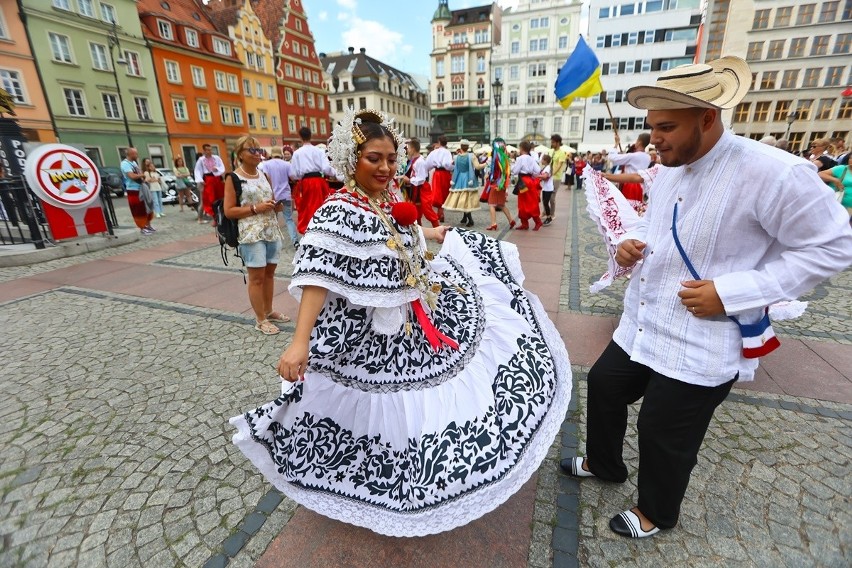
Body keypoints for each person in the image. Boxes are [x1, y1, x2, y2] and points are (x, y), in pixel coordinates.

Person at [229, 108, 571, 537]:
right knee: (378, 406)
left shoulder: (385, 199)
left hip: (412, 315)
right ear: (352, 160)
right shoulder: (338, 210)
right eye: (375, 158)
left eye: (391, 158)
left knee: (425, 398)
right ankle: (380, 475)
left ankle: (422, 470)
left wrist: (430, 235)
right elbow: (318, 277)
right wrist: (300, 341)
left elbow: (395, 234)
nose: (386, 167)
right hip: (368, 331)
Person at [561, 56, 852, 539]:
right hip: (645, 324)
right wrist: (631, 240)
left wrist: (735, 291)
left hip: (703, 338)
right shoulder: (670, 169)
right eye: (652, 127)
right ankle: (605, 463)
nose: (655, 138)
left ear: (709, 117)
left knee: (661, 428)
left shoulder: (775, 172)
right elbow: (656, 226)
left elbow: (834, 245)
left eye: (667, 126)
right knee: (606, 384)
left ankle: (656, 513)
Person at [223, 136, 289, 335]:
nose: (257, 154)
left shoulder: (264, 174)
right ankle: (260, 319)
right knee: (257, 277)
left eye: (259, 150)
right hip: (250, 233)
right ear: (240, 154)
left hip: (270, 229)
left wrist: (274, 206)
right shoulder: (233, 178)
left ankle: (268, 310)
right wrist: (255, 208)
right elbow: (229, 211)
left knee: (269, 274)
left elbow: (269, 199)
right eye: (252, 150)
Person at [289, 126, 336, 236]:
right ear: (311, 136)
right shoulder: (319, 151)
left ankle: (309, 230)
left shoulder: (297, 153)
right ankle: (323, 228)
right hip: (319, 181)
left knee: (306, 208)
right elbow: (326, 168)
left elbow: (293, 174)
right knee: (321, 205)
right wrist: (338, 175)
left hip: (305, 182)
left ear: (300, 137)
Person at [259, 146, 298, 249]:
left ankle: (273, 242)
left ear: (271, 154)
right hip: (285, 194)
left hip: (273, 195)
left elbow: (264, 177)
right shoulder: (286, 164)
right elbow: (293, 177)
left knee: (273, 218)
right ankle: (295, 242)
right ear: (280, 154)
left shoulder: (266, 164)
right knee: (289, 219)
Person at [398, 137, 440, 228]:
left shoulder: (420, 161)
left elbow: (421, 178)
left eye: (408, 148)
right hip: (416, 187)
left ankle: (437, 228)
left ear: (413, 149)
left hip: (422, 188)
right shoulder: (415, 160)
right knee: (416, 209)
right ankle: (418, 228)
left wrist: (409, 180)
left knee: (427, 210)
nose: (407, 150)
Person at [608, 132, 651, 211]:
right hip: (640, 186)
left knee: (627, 209)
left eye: (637, 141)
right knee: (636, 209)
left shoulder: (633, 156)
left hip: (630, 185)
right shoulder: (648, 157)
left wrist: (616, 144)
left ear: (639, 142)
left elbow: (612, 158)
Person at [444, 140, 482, 227]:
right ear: (468, 147)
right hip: (469, 178)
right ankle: (470, 219)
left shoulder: (456, 157)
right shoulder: (471, 156)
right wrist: (485, 164)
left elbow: (452, 166)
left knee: (462, 198)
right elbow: (477, 166)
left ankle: (465, 217)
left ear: (461, 147)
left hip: (459, 179)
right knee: (467, 199)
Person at [120, 147, 155, 235]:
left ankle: (148, 225)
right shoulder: (125, 164)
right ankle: (142, 228)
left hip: (141, 187)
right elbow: (132, 176)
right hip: (133, 189)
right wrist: (142, 174)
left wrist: (141, 175)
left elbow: (138, 173)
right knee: (138, 209)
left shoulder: (134, 163)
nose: (137, 155)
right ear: (130, 154)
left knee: (147, 206)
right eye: (135, 153)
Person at [484, 138, 516, 231]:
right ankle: (511, 220)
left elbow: (489, 169)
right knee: (501, 204)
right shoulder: (505, 158)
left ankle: (493, 223)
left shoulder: (494, 158)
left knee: (491, 204)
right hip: (503, 184)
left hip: (496, 183)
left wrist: (487, 175)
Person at [513, 141, 543, 231]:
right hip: (530, 181)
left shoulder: (520, 158)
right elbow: (538, 170)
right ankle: (534, 222)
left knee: (523, 203)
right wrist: (531, 173)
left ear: (521, 148)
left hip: (523, 182)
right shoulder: (531, 158)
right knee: (531, 201)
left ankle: (527, 223)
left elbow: (515, 171)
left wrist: (511, 168)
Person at [424, 136, 454, 222]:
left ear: (439, 142)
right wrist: (451, 167)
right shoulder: (447, 152)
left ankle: (440, 212)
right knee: (444, 192)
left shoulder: (434, 152)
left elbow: (427, 164)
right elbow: (448, 164)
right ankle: (441, 212)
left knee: (437, 192)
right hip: (445, 173)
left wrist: (428, 170)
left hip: (437, 173)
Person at [194, 144, 226, 223]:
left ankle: (222, 214)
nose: (209, 151)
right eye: (207, 150)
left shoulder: (216, 158)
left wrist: (217, 168)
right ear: (204, 151)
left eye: (210, 150)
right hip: (207, 179)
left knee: (221, 197)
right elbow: (197, 170)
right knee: (209, 198)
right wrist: (200, 179)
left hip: (217, 179)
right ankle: (205, 217)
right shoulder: (201, 160)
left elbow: (221, 166)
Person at [547, 135, 567, 224]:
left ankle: (552, 214)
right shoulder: (550, 151)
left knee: (552, 197)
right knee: (546, 195)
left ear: (558, 143)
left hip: (556, 177)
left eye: (553, 142)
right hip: (548, 176)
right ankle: (545, 212)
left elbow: (559, 166)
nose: (552, 144)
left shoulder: (561, 153)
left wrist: (552, 173)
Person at [539, 154, 554, 225]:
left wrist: (537, 176)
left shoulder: (547, 167)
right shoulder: (546, 167)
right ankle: (548, 217)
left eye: (542, 159)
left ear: (545, 161)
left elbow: (545, 176)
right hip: (545, 188)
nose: (541, 160)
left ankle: (549, 218)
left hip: (548, 188)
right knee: (545, 203)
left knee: (545, 203)